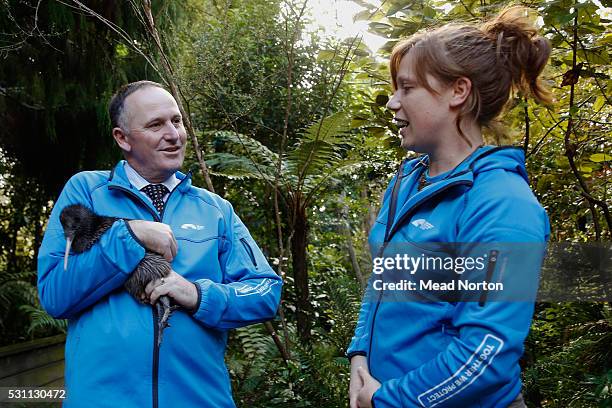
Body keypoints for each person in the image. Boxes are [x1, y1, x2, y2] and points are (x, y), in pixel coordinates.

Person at [347, 7, 551, 408]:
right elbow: (383, 279)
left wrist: (388, 398)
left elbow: (485, 353)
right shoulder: (407, 181)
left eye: (406, 88)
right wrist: (359, 353)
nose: (392, 103)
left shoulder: (502, 205)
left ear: (458, 91)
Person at [37, 80, 282, 407]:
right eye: (155, 124)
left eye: (176, 121)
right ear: (122, 138)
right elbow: (55, 293)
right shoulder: (86, 191)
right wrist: (129, 235)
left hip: (199, 399)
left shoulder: (215, 210)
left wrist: (199, 295)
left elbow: (266, 292)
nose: (174, 134)